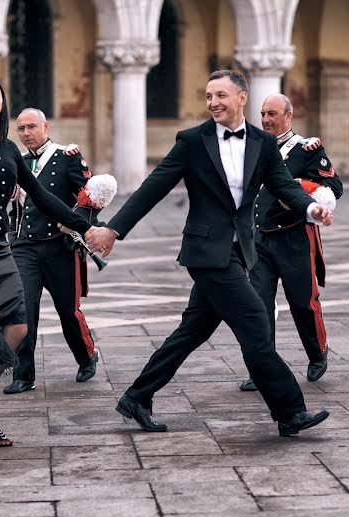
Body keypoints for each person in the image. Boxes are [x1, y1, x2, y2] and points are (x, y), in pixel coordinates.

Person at [87, 70, 333, 437]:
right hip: (205, 252)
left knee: (192, 330)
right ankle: (290, 411)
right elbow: (153, 187)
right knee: (255, 322)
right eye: (208, 96)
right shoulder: (192, 141)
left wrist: (311, 209)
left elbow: (284, 185)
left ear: (241, 97)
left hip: (239, 251)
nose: (213, 102)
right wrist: (114, 229)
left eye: (220, 94)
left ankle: (137, 396)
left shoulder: (263, 144)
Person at [0, 75, 95, 447]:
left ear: (2, 102)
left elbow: (41, 195)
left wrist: (85, 225)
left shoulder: (9, 149)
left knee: (18, 328)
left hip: (0, 246)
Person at [239, 94, 343, 392]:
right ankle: (262, 368)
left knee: (302, 302)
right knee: (258, 305)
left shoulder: (307, 149)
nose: (266, 120)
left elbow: (334, 187)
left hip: (294, 236)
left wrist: (301, 189)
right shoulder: (252, 147)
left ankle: (317, 352)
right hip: (259, 238)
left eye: (272, 113)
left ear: (289, 116)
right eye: (262, 114)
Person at [3, 108, 101, 394]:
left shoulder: (66, 157)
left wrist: (74, 221)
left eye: (31, 127)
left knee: (68, 312)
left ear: (46, 126)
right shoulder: (17, 162)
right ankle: (23, 375)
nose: (26, 134)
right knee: (23, 311)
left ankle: (86, 357)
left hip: (60, 247)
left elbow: (90, 196)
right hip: (24, 247)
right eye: (20, 129)